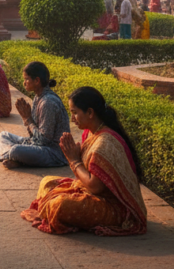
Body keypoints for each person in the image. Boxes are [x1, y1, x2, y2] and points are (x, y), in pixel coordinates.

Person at [21, 86, 147, 236]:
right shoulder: (91, 132)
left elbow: (95, 187)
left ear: (90, 113)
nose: (72, 118)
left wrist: (74, 160)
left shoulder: (104, 143)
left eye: (75, 113)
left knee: (60, 205)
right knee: (47, 182)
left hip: (115, 209)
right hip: (92, 193)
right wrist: (74, 156)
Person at [0, 62, 70, 169]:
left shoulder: (48, 102)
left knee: (16, 150)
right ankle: (15, 158)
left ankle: (13, 156)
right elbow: (33, 137)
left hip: (53, 152)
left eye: (26, 79)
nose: (24, 82)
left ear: (37, 81)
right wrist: (27, 120)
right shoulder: (37, 98)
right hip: (36, 145)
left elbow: (43, 141)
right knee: (3, 136)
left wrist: (28, 119)